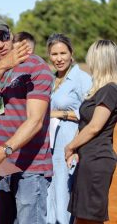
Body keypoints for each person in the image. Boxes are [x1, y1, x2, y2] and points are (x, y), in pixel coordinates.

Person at [0, 15, 54, 224]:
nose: (0, 44)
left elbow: (35, 121)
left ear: (11, 36)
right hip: (2, 166)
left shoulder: (36, 67)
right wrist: (4, 64)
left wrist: (3, 150)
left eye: (3, 37)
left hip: (30, 167)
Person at [65, 40, 117, 224]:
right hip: (88, 160)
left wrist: (70, 147)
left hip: (97, 161)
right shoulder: (100, 90)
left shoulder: (110, 89)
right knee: (82, 218)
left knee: (90, 219)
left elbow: (94, 127)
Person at [46, 33, 92, 224]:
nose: (59, 58)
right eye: (54, 54)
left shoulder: (82, 78)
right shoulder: (48, 79)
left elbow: (90, 114)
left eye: (63, 53)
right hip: (48, 148)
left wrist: (60, 114)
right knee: (50, 193)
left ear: (71, 53)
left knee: (65, 194)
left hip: (69, 146)